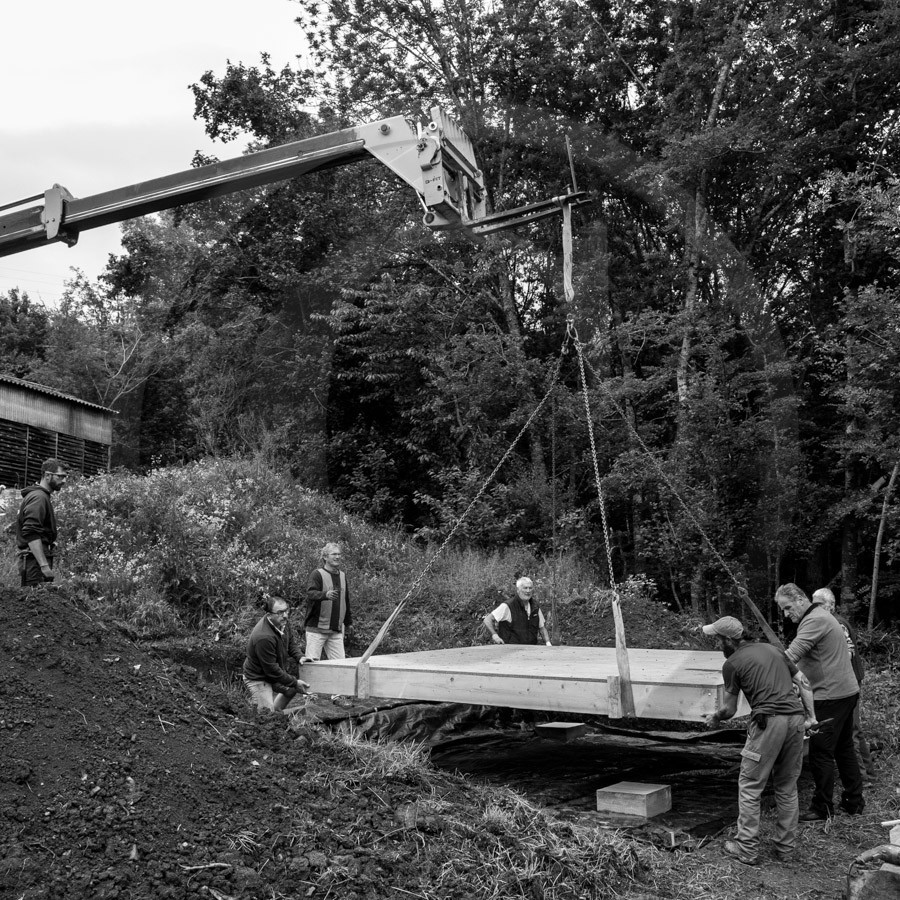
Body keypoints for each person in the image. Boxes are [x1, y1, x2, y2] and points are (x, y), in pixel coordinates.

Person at [703, 616, 812, 865]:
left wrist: (716, 718)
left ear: (729, 640)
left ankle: (747, 849)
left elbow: (729, 710)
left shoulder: (732, 663)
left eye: (719, 639)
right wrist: (811, 716)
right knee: (787, 786)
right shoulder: (773, 650)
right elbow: (803, 682)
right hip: (795, 720)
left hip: (769, 723)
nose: (718, 644)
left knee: (751, 786)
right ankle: (785, 850)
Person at [776, 583, 865, 820]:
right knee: (844, 748)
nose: (786, 614)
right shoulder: (821, 615)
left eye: (787, 608)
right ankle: (854, 801)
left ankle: (822, 807)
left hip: (830, 695)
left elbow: (791, 656)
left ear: (800, 600)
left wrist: (765, 667)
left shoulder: (814, 620)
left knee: (821, 753)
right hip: (845, 692)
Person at [813, 587, 875, 782]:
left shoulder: (837, 624)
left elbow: (844, 656)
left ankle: (864, 776)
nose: (814, 609)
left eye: (818, 605)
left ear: (830, 606)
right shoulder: (832, 622)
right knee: (851, 729)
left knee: (852, 729)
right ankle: (864, 773)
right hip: (846, 681)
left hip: (846, 683)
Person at [243, 597, 309, 713]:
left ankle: (277, 714)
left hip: (271, 673)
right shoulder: (263, 637)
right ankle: (271, 717)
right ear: (269, 615)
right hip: (258, 678)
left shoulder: (282, 622)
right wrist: (295, 682)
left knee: (291, 689)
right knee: (265, 715)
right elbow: (272, 670)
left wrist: (300, 656)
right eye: (279, 613)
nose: (285, 615)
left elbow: (291, 643)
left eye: (286, 611)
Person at [15, 459, 68, 586]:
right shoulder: (39, 497)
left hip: (35, 562)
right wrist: (44, 566)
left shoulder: (41, 496)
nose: (64, 481)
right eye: (60, 476)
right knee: (33, 602)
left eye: (65, 477)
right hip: (34, 564)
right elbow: (31, 532)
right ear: (47, 475)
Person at [305, 542, 352, 660]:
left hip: (335, 630)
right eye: (334, 554)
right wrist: (325, 595)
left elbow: (345, 601)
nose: (337, 557)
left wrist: (348, 622)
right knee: (311, 666)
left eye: (339, 554)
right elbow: (310, 593)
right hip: (316, 630)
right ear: (325, 557)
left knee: (342, 666)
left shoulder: (342, 575)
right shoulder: (317, 574)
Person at [482, 577, 552, 646]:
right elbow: (487, 619)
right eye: (525, 588)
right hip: (509, 651)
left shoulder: (535, 607)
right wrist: (495, 636)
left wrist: (548, 643)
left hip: (531, 651)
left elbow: (542, 628)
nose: (528, 591)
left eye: (530, 588)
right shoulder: (508, 606)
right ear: (518, 590)